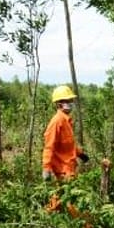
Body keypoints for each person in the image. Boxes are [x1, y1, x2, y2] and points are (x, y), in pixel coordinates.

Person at [42, 85, 89, 213]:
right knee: (70, 199)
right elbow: (49, 146)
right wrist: (46, 168)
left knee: (59, 198)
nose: (69, 103)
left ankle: (51, 219)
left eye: (70, 101)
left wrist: (80, 154)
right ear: (58, 104)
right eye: (65, 101)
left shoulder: (67, 121)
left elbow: (68, 144)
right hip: (62, 169)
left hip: (69, 166)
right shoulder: (57, 122)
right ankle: (83, 227)